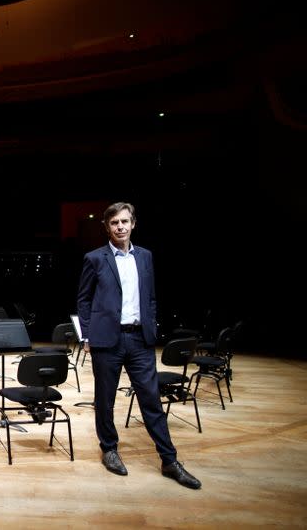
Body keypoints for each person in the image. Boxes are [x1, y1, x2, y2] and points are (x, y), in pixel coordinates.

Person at [77, 202, 201, 489]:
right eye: (114, 223)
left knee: (151, 400)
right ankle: (109, 449)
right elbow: (83, 299)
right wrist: (86, 336)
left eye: (124, 221)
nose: (120, 227)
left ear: (133, 223)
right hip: (107, 340)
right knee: (105, 400)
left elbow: (151, 297)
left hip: (139, 340)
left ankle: (169, 460)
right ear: (107, 227)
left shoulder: (145, 257)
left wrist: (150, 324)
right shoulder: (94, 258)